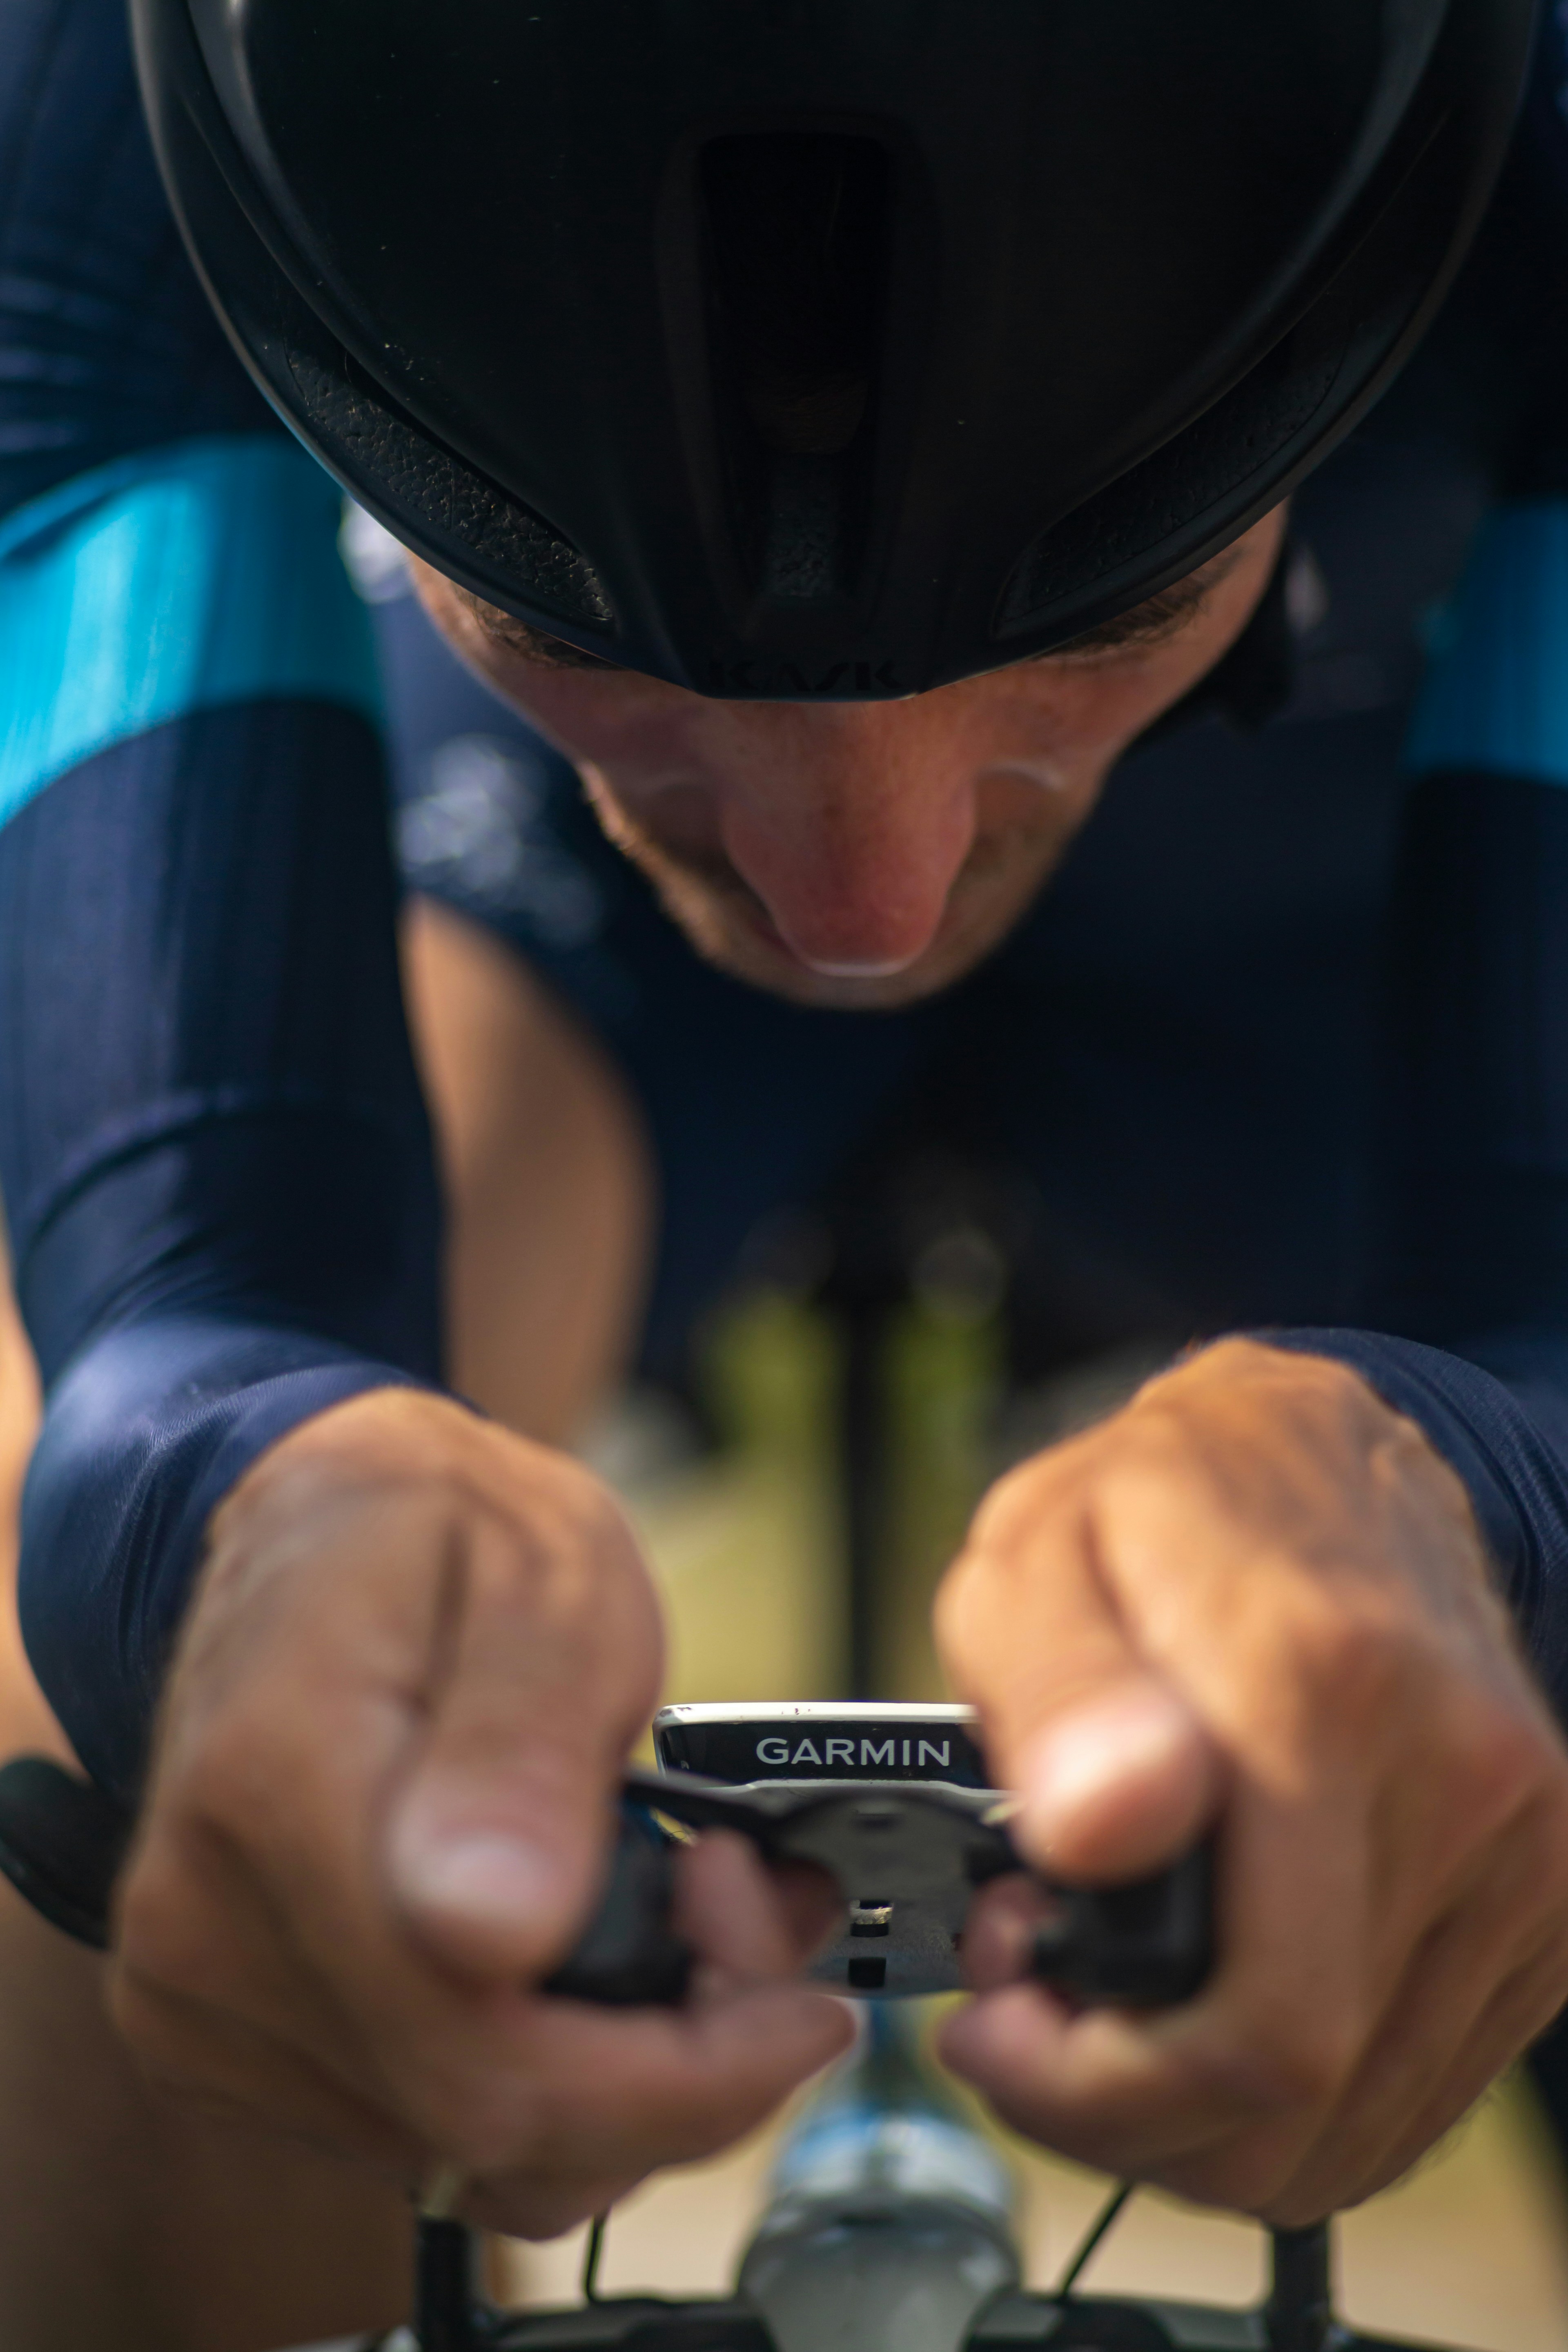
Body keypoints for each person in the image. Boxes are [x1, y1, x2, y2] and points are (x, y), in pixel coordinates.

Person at [3, 0, 1568, 2343]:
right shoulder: (91, 86)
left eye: (1112, 595)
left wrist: (1481, 1496)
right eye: (559, 604)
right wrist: (246, 1522)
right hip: (558, 924)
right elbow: (185, 1318)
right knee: (99, 1743)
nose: (873, 903)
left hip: (1364, 855)